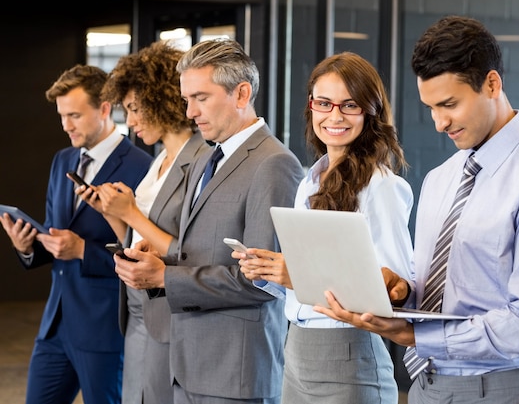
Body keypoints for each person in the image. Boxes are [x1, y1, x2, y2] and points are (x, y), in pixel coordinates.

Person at [314, 15, 519, 404]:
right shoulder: (441, 178)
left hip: (502, 389)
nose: (439, 123)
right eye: (430, 107)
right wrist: (401, 292)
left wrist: (414, 335)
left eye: (449, 105)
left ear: (492, 84)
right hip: (427, 387)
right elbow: (439, 289)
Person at [111, 38, 304, 404]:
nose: (189, 112)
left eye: (200, 98)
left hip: (234, 372)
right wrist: (159, 261)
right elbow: (194, 252)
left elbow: (262, 282)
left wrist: (163, 276)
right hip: (185, 364)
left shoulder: (274, 164)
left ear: (241, 94)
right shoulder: (205, 159)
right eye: (186, 100)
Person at [232, 51, 414, 404]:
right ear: (311, 106)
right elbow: (304, 289)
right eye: (324, 103)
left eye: (349, 105)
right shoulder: (310, 180)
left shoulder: (381, 186)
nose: (335, 116)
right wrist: (270, 270)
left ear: (370, 111)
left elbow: (393, 291)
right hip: (296, 351)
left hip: (349, 357)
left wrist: (298, 274)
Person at [0, 64, 153, 404]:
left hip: (104, 329)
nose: (65, 125)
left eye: (74, 115)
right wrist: (27, 246)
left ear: (103, 109)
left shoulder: (142, 167)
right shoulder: (62, 159)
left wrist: (85, 250)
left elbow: (147, 254)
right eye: (61, 116)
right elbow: (57, 237)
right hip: (55, 326)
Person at [79, 41, 210, 404]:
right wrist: (113, 213)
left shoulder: (201, 159)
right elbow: (138, 237)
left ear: (163, 98)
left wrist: (131, 212)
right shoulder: (159, 160)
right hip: (138, 307)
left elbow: (191, 249)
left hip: (169, 308)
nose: (131, 122)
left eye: (135, 109)